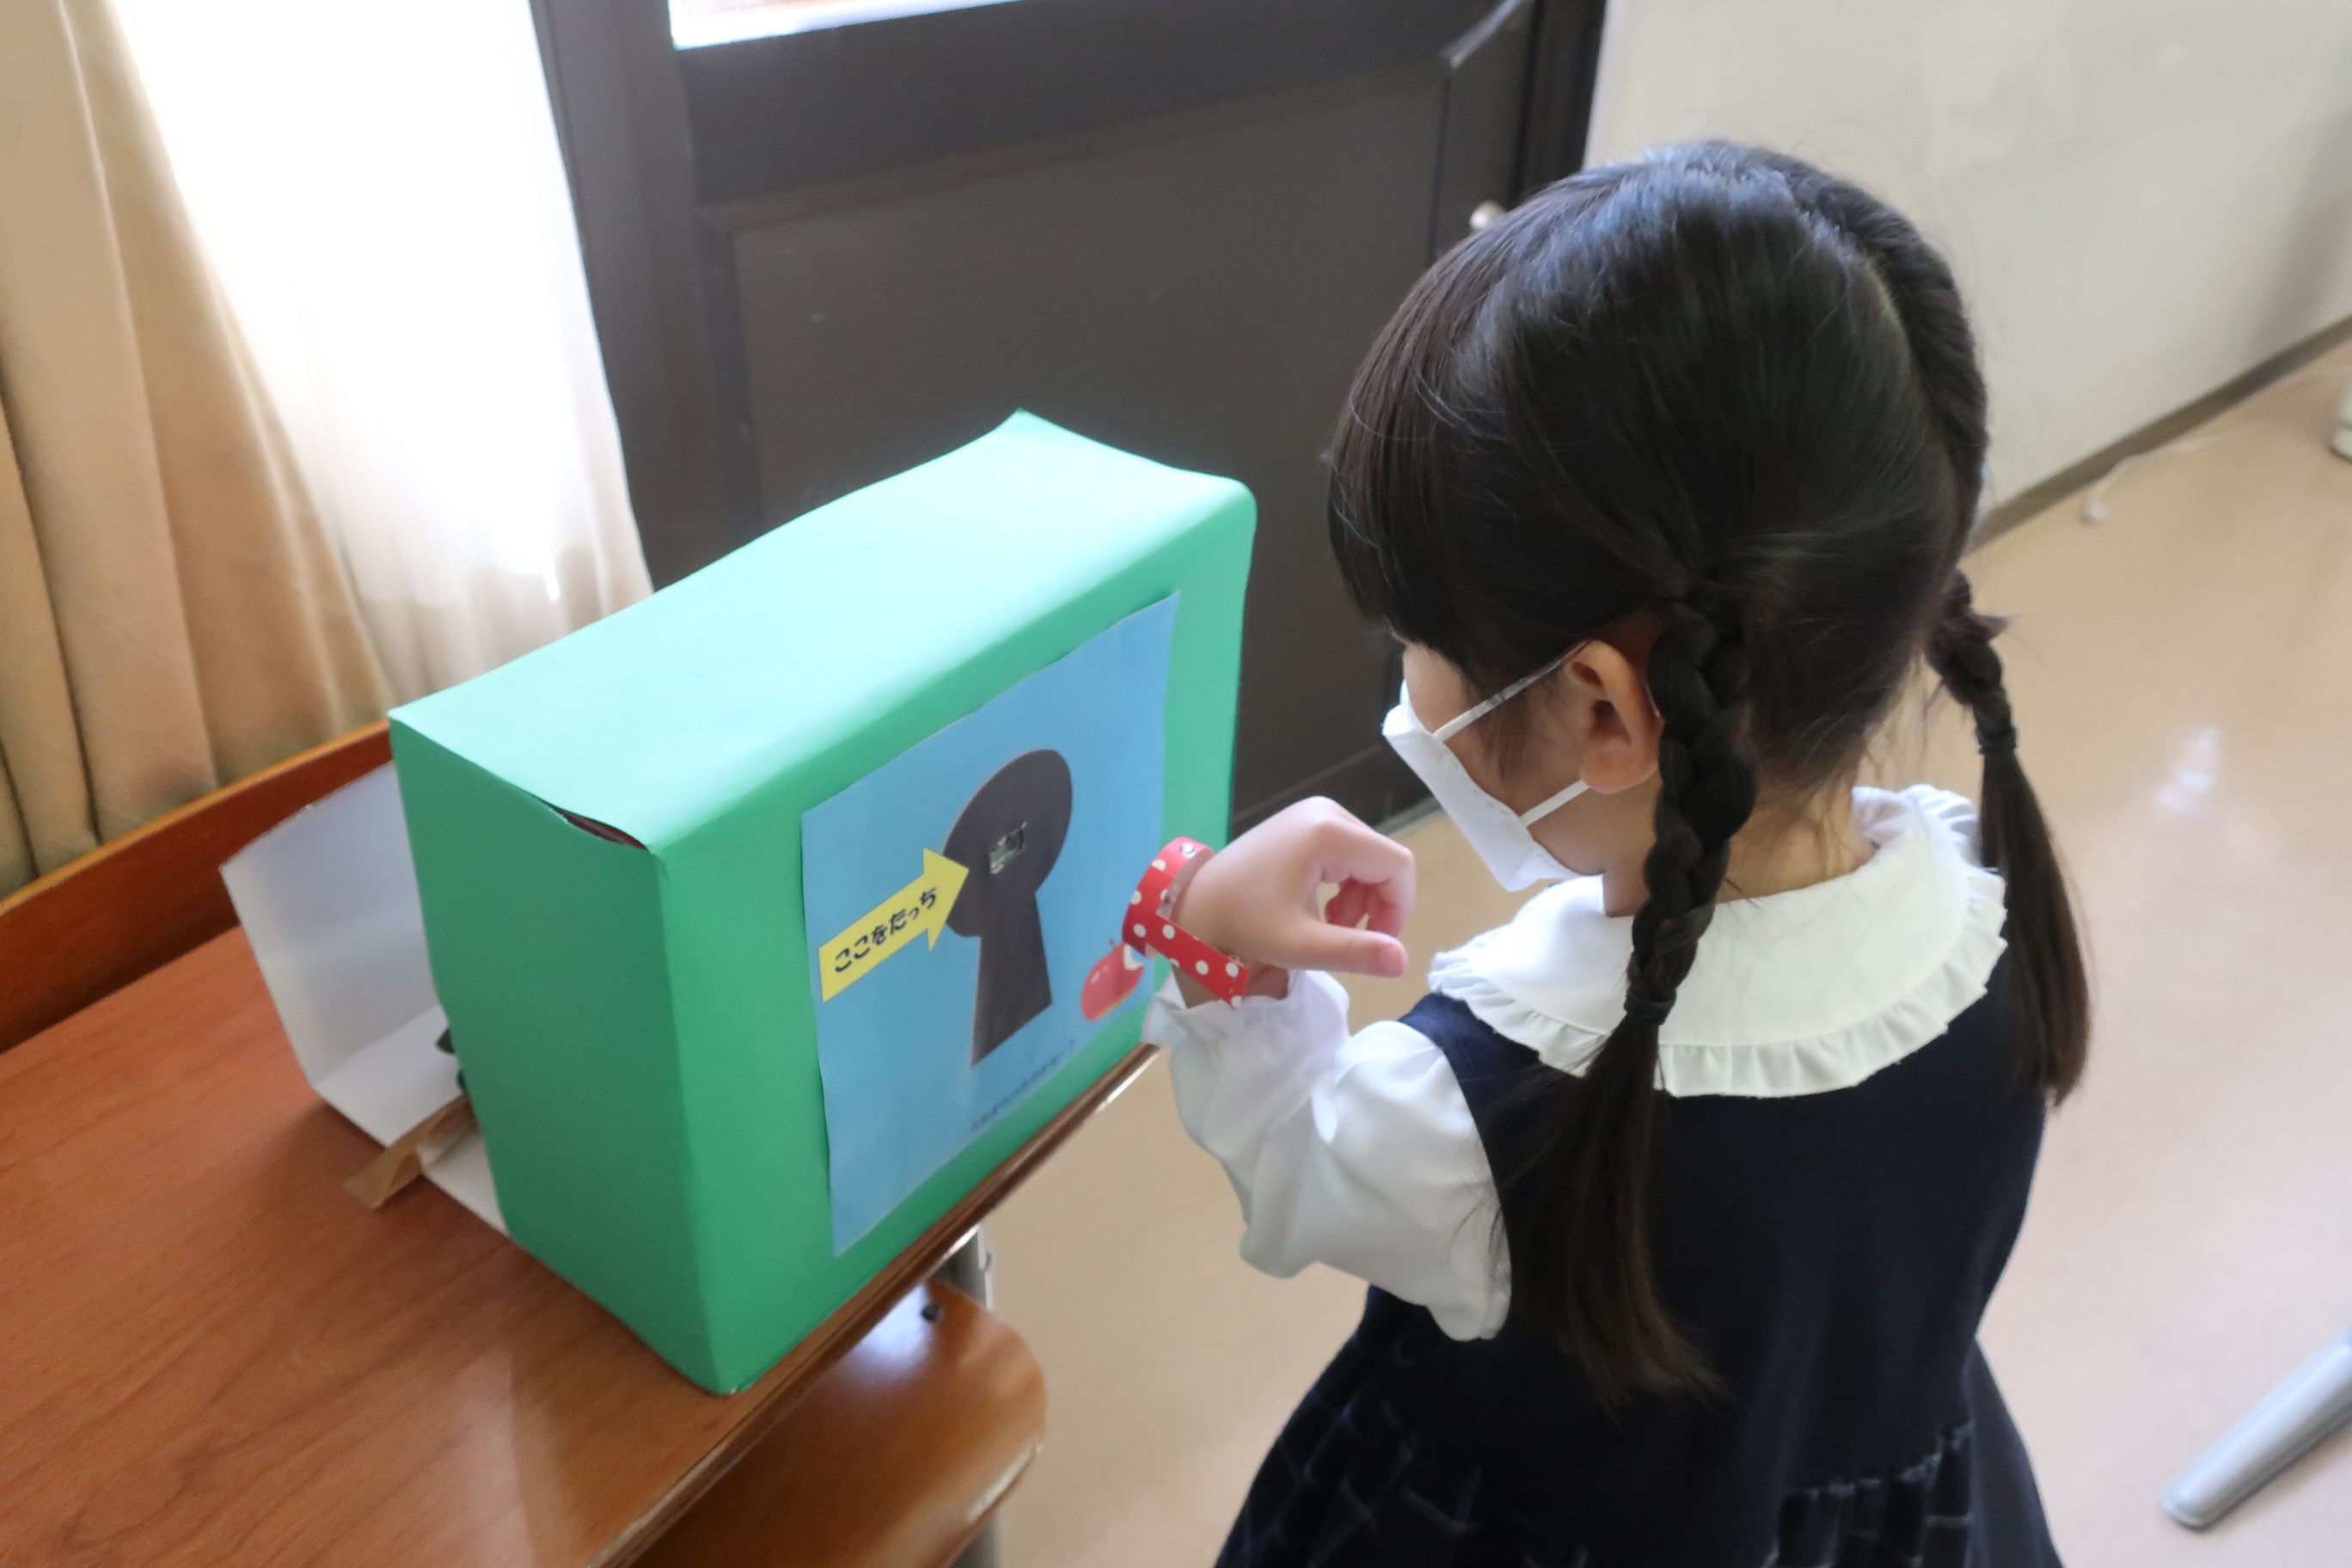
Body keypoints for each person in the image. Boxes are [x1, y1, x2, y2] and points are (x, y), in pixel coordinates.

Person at [1142, 143, 2089, 1566]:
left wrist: (1213, 930)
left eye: (1422, 640)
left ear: (1602, 711)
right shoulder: (1984, 912)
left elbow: (1289, 1168)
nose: (1408, 677)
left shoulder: (1477, 1112)